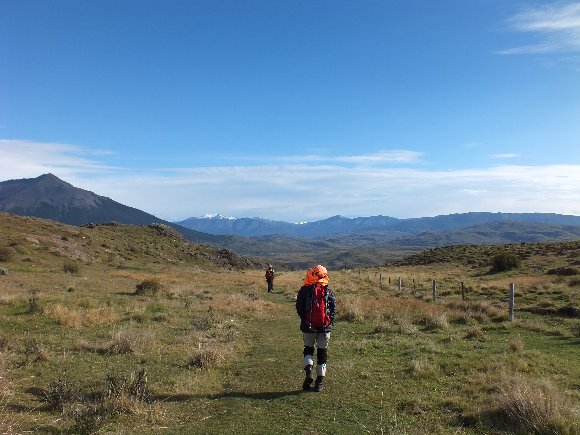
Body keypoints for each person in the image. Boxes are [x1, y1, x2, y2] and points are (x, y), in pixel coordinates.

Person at [295, 265, 336, 392]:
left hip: (308, 328)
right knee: (322, 353)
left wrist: (306, 321)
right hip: (324, 328)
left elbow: (299, 308)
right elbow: (333, 310)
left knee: (308, 349)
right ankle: (319, 382)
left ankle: (309, 373)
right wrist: (329, 323)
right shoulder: (328, 291)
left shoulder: (304, 290)